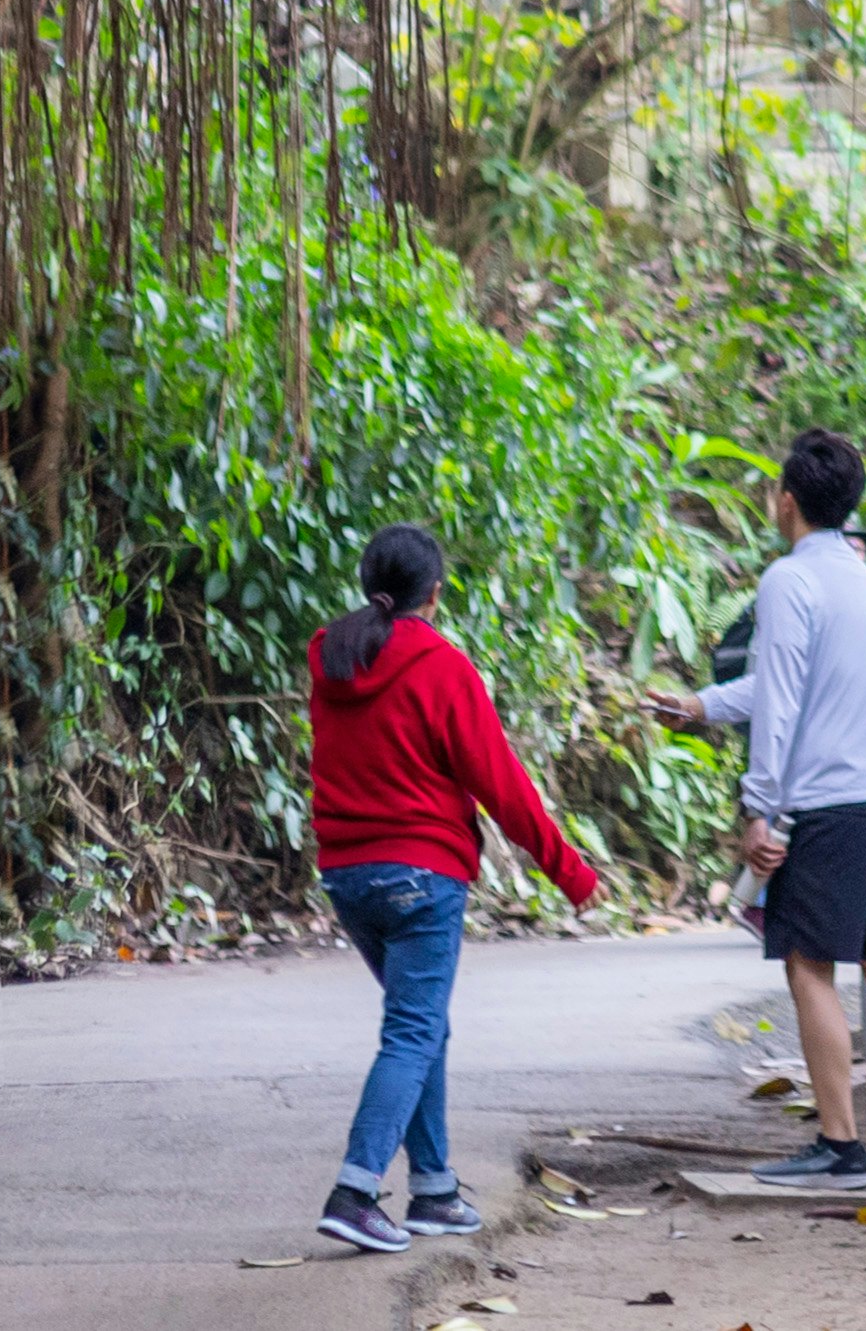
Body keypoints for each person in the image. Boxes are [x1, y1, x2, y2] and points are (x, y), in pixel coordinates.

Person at [302, 518, 605, 1257]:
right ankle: (355, 1187)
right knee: (412, 1029)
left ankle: (434, 1187)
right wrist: (569, 870)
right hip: (421, 877)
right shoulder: (442, 666)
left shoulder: (333, 657)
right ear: (435, 593)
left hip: (348, 875)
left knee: (420, 1022)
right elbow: (501, 784)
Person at [675, 423, 866, 1185]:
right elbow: (792, 682)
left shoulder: (787, 580)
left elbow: (784, 696)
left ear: (785, 500)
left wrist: (758, 807)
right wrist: (702, 704)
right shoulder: (863, 578)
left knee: (808, 965)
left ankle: (840, 1145)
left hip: (826, 798)